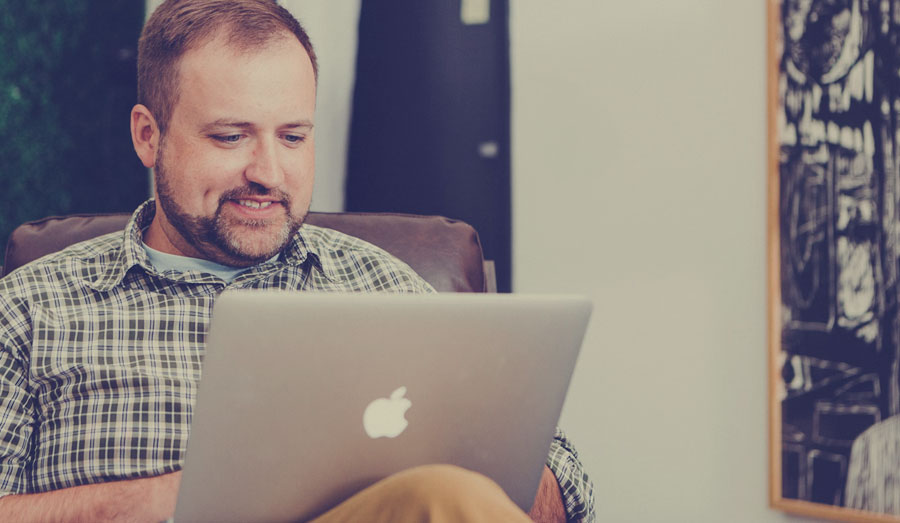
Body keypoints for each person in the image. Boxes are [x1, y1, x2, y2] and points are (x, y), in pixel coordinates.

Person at [0, 1, 594, 521]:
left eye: (292, 137)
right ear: (148, 136)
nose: (269, 173)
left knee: (445, 494)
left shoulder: (380, 285)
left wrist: (464, 461)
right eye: (231, 137)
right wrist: (173, 499)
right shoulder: (31, 308)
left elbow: (567, 493)